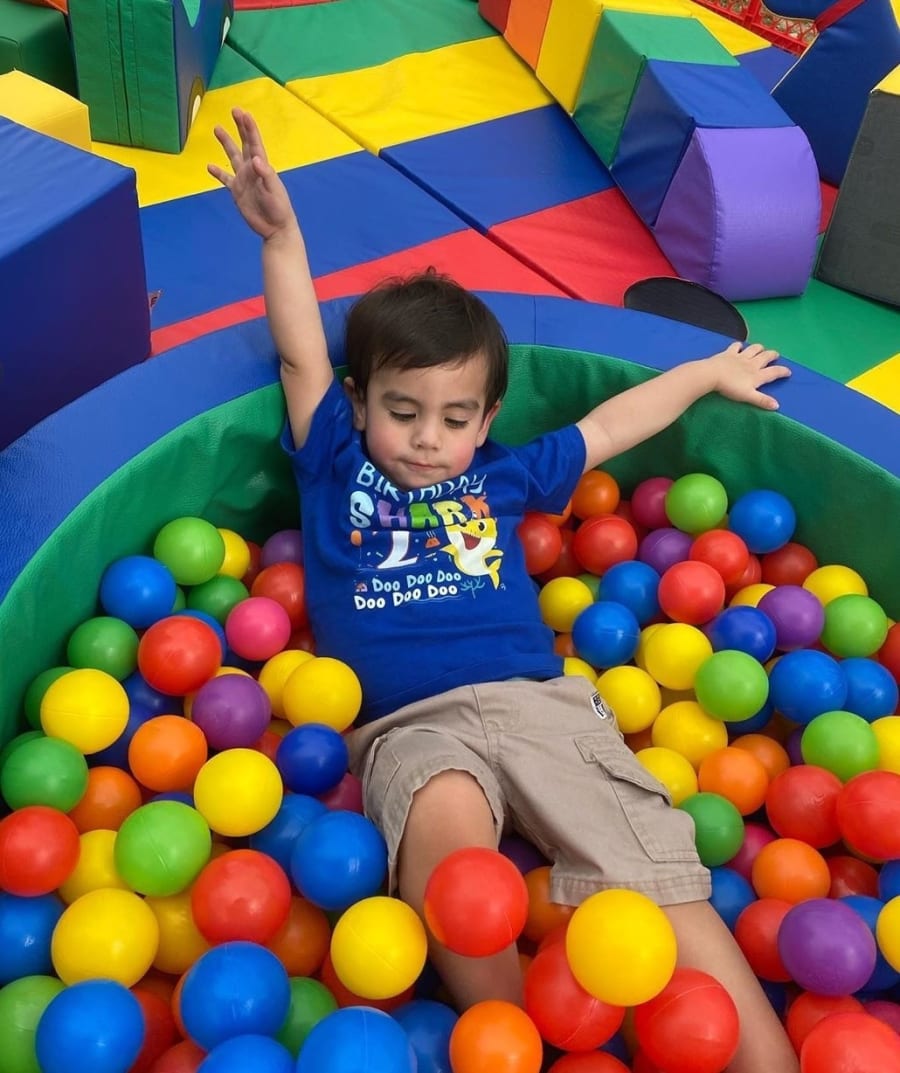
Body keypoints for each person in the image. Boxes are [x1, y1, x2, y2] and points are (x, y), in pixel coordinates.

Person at [210, 108, 799, 1073]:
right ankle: (512, 1041)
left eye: (454, 418)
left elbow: (610, 428)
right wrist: (281, 237)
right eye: (401, 411)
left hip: (541, 706)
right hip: (410, 723)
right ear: (359, 405)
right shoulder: (333, 461)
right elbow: (300, 354)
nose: (426, 438)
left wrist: (702, 373)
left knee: (646, 861)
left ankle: (764, 1059)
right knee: (448, 846)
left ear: (486, 422)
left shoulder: (505, 475)